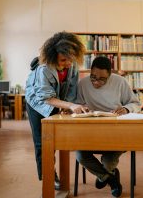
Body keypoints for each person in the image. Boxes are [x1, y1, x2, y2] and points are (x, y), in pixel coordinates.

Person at [25, 31, 88, 190]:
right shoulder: (44, 69)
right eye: (63, 59)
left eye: (71, 58)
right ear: (53, 57)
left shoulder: (72, 65)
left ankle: (58, 172)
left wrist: (69, 106)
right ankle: (48, 175)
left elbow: (72, 91)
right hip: (38, 103)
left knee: (60, 138)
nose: (68, 63)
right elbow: (46, 98)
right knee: (42, 142)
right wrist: (69, 106)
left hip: (58, 101)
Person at [76, 56, 141, 197]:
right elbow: (78, 104)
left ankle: (103, 175)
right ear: (90, 71)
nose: (96, 82)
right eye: (93, 77)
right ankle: (111, 178)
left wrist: (126, 109)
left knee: (108, 161)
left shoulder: (120, 82)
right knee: (80, 155)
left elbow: (136, 104)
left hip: (118, 132)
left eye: (101, 79)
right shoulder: (83, 84)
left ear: (110, 75)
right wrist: (81, 108)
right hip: (91, 132)